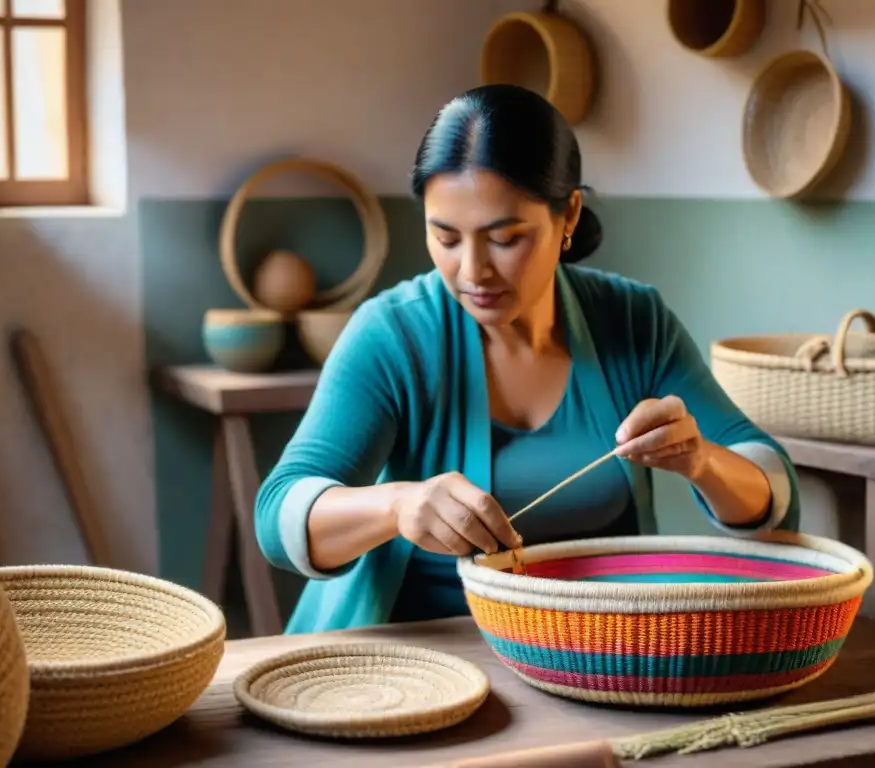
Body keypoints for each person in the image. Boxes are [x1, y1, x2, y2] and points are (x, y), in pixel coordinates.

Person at [255, 84, 801, 635]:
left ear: (568, 217)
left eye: (505, 238)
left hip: (600, 658)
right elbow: (277, 518)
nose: (473, 271)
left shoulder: (633, 320)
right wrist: (397, 505)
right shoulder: (394, 333)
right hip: (415, 663)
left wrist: (701, 460)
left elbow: (772, 490)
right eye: (445, 237)